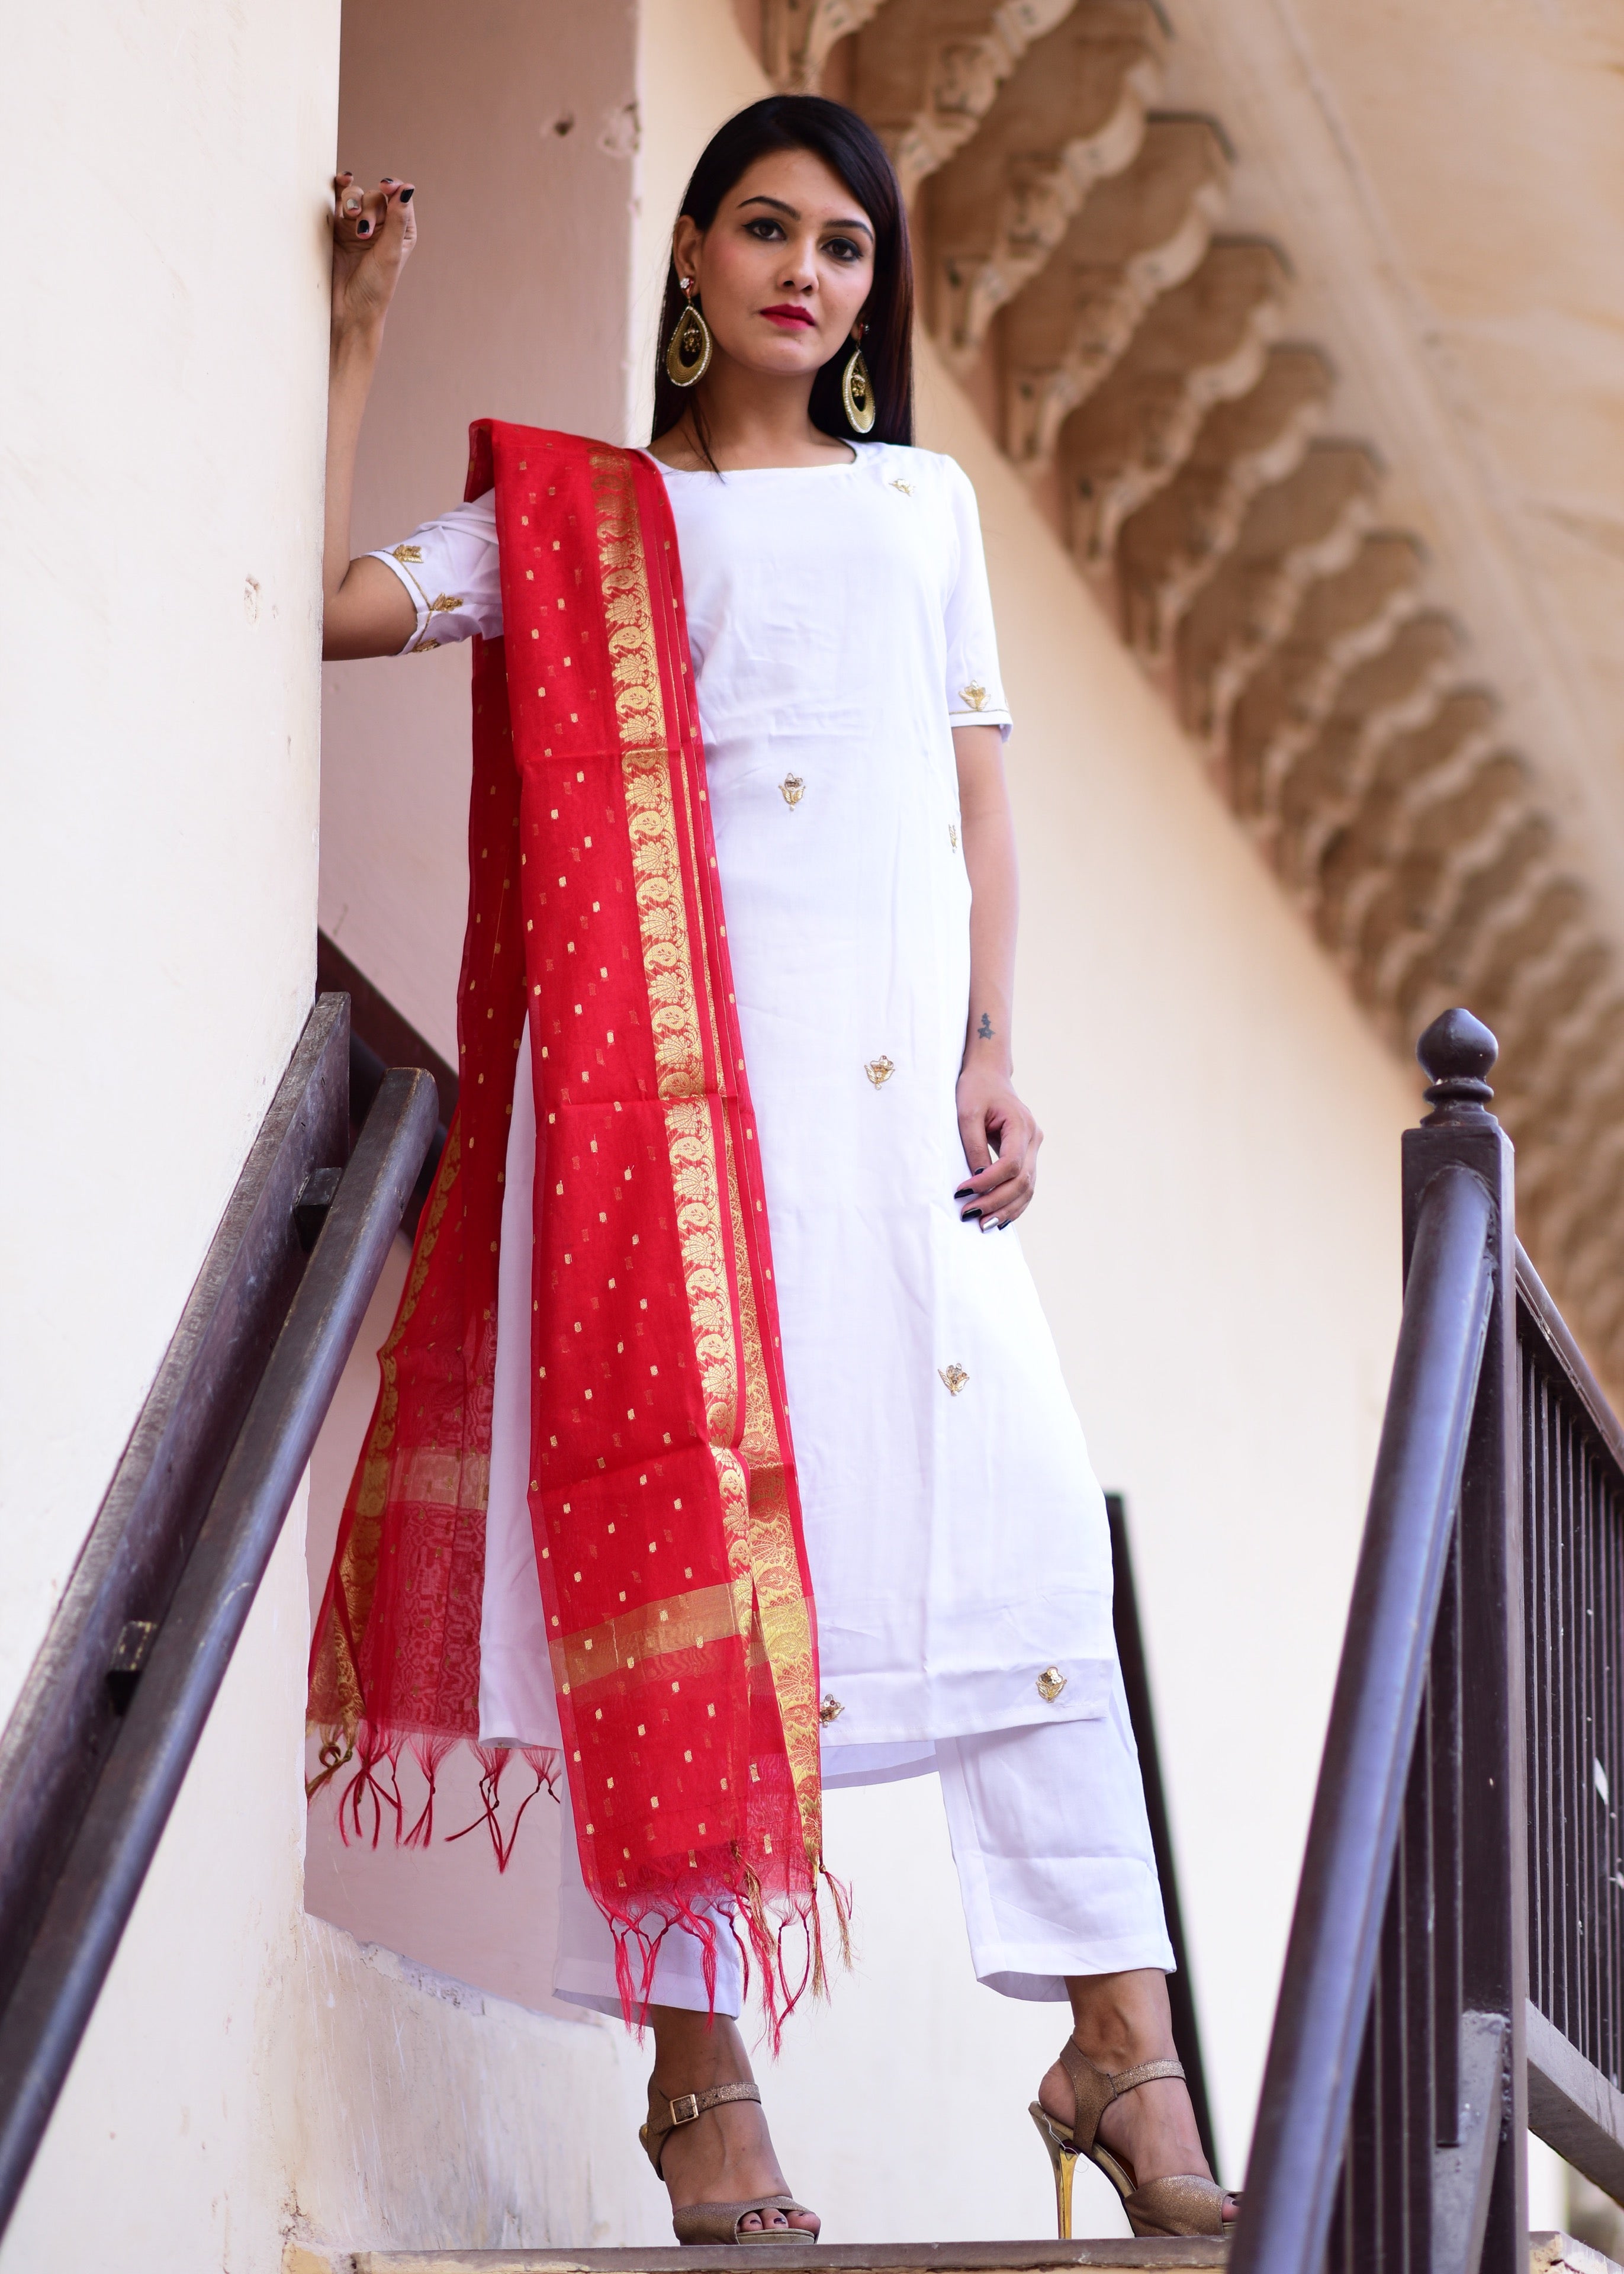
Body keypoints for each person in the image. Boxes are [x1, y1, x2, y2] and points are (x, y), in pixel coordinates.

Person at [313, 94, 1237, 2244]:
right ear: (693, 264)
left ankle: (1123, 2041)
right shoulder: (587, 521)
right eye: (764, 231)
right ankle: (700, 2084)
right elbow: (331, 607)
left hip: (894, 1107)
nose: (806, 274)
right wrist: (353, 336)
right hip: (661, 1154)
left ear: (867, 293)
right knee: (685, 1573)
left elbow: (982, 806)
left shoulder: (922, 508)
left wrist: (1001, 1047)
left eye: (844, 247)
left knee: (1021, 1539)